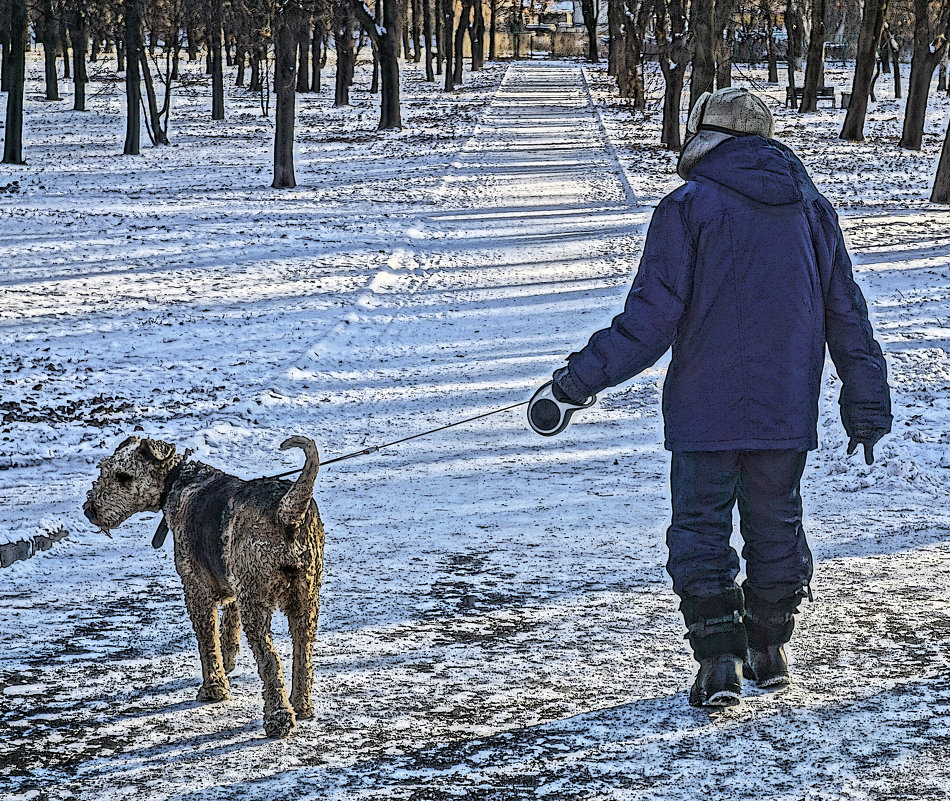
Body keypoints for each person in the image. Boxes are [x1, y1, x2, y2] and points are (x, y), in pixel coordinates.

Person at [538, 87, 892, 707]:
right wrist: (864, 397)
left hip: (705, 410)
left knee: (701, 531)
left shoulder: (686, 208)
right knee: (776, 524)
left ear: (706, 136)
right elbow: (847, 314)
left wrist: (573, 385)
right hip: (785, 408)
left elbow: (648, 323)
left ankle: (718, 662)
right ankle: (770, 649)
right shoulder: (813, 209)